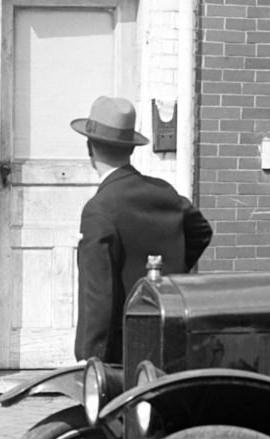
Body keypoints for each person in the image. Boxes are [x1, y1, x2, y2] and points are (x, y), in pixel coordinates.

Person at [72, 96, 213, 363]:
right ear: (130, 149)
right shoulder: (165, 192)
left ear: (90, 148)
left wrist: (90, 358)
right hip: (168, 334)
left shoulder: (98, 209)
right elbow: (201, 230)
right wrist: (172, 267)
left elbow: (99, 297)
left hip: (121, 351)